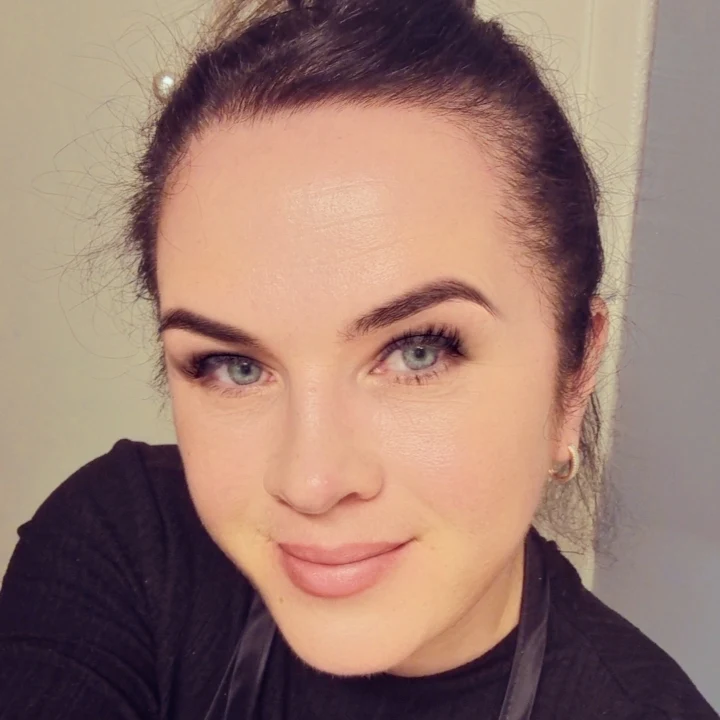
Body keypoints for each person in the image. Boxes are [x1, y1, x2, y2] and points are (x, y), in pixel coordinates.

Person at [0, 0, 717, 718]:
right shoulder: (124, 545)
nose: (310, 483)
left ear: (575, 373)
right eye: (233, 365)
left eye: (417, 352)